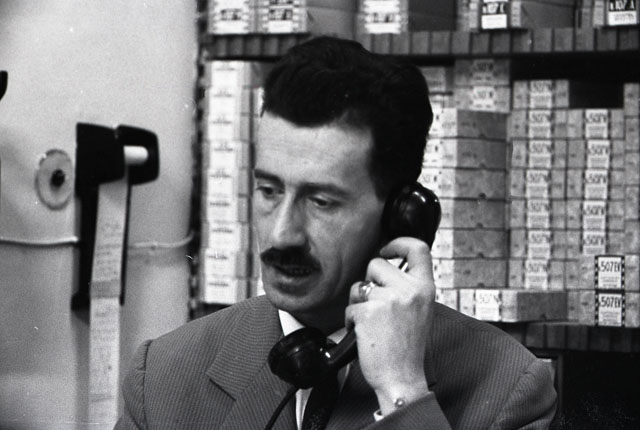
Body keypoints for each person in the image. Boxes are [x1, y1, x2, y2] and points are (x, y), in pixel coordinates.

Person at [115, 36, 556, 429]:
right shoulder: (162, 377)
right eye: (269, 191)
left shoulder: (506, 389)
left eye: (321, 201)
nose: (282, 234)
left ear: (400, 215)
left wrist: (402, 391)